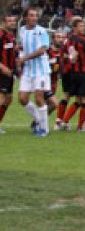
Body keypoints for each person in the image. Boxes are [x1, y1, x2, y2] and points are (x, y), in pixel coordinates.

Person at [16, 8, 51, 137]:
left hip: (41, 70)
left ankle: (44, 129)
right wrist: (19, 60)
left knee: (39, 98)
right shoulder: (23, 30)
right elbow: (22, 48)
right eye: (31, 15)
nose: (34, 18)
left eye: (36, 16)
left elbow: (42, 50)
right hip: (28, 70)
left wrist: (24, 58)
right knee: (22, 98)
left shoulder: (42, 31)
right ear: (25, 17)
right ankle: (38, 119)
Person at [60, 17, 85, 132]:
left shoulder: (68, 39)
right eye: (81, 26)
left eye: (84, 26)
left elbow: (67, 55)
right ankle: (80, 126)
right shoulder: (83, 40)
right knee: (84, 100)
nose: (83, 28)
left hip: (73, 73)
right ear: (74, 27)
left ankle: (64, 121)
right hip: (84, 73)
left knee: (77, 100)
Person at [0, 14, 17, 134]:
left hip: (9, 73)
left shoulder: (10, 36)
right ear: (4, 22)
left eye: (13, 21)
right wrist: (2, 67)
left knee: (8, 99)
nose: (12, 22)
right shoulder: (0, 35)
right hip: (2, 72)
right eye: (9, 20)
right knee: (1, 98)